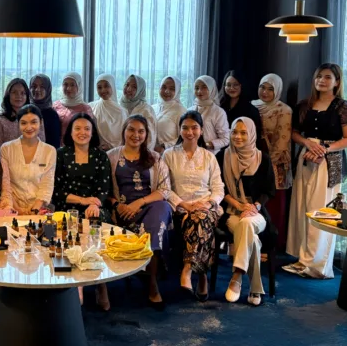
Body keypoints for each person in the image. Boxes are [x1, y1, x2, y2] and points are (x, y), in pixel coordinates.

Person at [285, 64, 347, 279]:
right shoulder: (304, 105)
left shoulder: (343, 107)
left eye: (327, 77)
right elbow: (294, 133)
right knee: (301, 206)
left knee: (321, 209)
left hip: (330, 161)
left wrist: (324, 149)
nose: (322, 81)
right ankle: (302, 259)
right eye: (319, 77)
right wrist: (308, 143)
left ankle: (317, 265)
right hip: (306, 158)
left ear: (337, 82)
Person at [107, 115, 172, 309]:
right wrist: (117, 205)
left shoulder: (154, 158)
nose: (136, 135)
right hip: (122, 211)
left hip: (149, 207)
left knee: (161, 210)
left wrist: (140, 202)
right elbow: (104, 190)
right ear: (124, 131)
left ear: (146, 134)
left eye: (141, 131)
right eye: (131, 130)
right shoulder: (111, 156)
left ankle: (152, 283)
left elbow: (165, 190)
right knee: (153, 220)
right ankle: (146, 275)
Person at [163, 110, 224, 302]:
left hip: (207, 206)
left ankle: (188, 270)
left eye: (194, 128)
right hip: (179, 207)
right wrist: (184, 204)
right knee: (197, 219)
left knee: (201, 217)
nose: (190, 132)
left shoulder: (209, 156)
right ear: (179, 130)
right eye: (185, 128)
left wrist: (208, 203)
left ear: (201, 130)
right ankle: (203, 275)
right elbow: (164, 187)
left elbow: (218, 188)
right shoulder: (169, 155)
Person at [216, 118, 276, 306]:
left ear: (252, 134)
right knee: (252, 239)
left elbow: (269, 190)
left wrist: (254, 206)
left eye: (243, 132)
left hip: (256, 213)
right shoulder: (222, 156)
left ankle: (237, 275)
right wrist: (239, 205)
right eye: (234, 132)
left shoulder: (263, 158)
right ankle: (255, 289)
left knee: (248, 223)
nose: (238, 136)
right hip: (232, 211)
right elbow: (219, 188)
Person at [252, 73, 292, 248]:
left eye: (270, 89)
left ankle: (272, 246)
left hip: (274, 162)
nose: (265, 92)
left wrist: (266, 163)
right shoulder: (253, 105)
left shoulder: (283, 110)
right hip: (254, 157)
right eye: (262, 87)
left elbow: (282, 141)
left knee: (273, 203)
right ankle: (254, 242)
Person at [53, 113, 113, 223]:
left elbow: (104, 189)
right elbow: (55, 190)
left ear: (92, 133)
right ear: (70, 132)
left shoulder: (101, 156)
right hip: (66, 207)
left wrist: (94, 205)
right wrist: (82, 200)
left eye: (87, 129)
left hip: (94, 206)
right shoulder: (60, 154)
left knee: (95, 218)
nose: (82, 132)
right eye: (77, 128)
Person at [0, 105, 57, 215]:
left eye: (33, 122)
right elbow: (5, 183)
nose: (29, 127)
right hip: (11, 207)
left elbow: (47, 183)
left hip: (39, 209)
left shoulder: (49, 151)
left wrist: (35, 208)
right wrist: (18, 209)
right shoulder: (6, 149)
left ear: (41, 123)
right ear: (18, 124)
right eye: (24, 123)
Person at [0, 78, 45, 145]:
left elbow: (42, 143)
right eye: (14, 92)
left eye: (23, 93)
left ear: (27, 96)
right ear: (8, 94)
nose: (18, 96)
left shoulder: (36, 117)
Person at [218, 70, 263, 146]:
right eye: (228, 85)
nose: (231, 88)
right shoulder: (219, 106)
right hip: (220, 147)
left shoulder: (251, 110)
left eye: (235, 85)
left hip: (242, 148)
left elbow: (255, 136)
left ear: (242, 85)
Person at [189, 75, 229, 154]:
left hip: (210, 155)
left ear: (212, 89)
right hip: (190, 153)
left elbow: (225, 139)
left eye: (204, 87)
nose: (199, 91)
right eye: (196, 88)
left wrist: (205, 145)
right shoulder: (189, 110)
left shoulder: (218, 112)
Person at [53, 72, 94, 145]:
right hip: (55, 147)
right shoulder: (55, 105)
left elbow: (88, 133)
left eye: (72, 85)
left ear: (79, 86)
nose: (68, 88)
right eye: (65, 84)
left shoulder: (85, 109)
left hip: (76, 147)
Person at [120, 74, 158, 151]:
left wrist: (141, 153)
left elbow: (150, 137)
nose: (129, 89)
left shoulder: (146, 110)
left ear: (140, 90)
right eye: (127, 85)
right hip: (121, 151)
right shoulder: (119, 106)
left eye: (134, 87)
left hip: (141, 153)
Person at [89, 73, 126, 151]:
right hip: (95, 151)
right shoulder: (92, 107)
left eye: (106, 86)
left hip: (116, 152)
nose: (103, 90)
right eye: (99, 87)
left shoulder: (121, 111)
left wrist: (111, 146)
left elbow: (124, 136)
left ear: (112, 86)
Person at [29, 74, 63, 149]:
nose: (37, 89)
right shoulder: (24, 110)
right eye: (34, 86)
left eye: (42, 87)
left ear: (48, 90)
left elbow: (54, 146)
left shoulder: (52, 115)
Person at [155, 75, 187, 152]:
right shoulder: (153, 108)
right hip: (151, 154)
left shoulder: (181, 111)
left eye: (172, 89)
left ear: (177, 91)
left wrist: (164, 146)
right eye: (164, 87)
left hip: (172, 154)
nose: (167, 91)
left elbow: (185, 137)